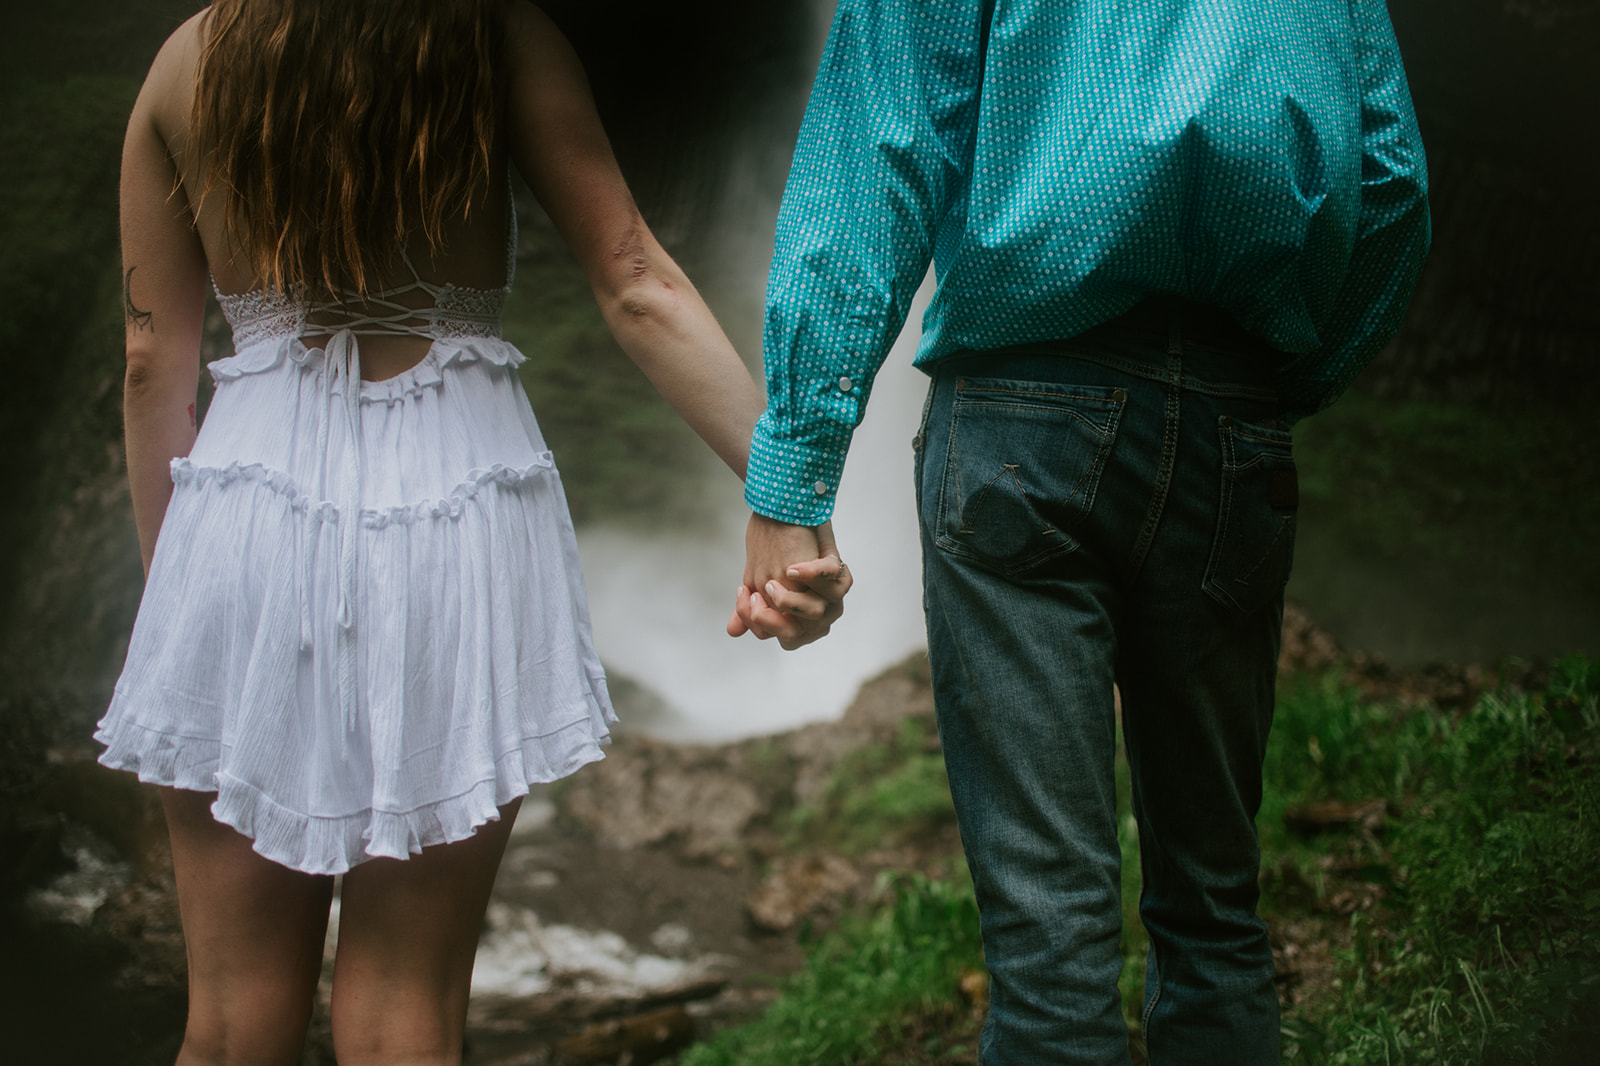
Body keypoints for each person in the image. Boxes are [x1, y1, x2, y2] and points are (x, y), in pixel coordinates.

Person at [99, 2, 846, 1062]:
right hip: (452, 513)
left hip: (241, 517)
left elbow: (150, 367)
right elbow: (635, 281)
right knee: (405, 1007)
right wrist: (789, 500)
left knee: (229, 1025)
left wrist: (177, 607)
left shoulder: (185, 62)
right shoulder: (489, 36)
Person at [731, 1, 1429, 1063]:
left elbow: (880, 142)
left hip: (1022, 414)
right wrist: (1276, 385)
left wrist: (792, 480)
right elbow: (1389, 183)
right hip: (1231, 422)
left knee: (1051, 943)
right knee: (1214, 918)